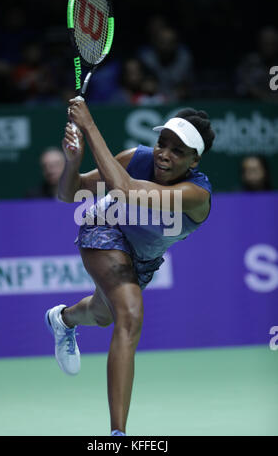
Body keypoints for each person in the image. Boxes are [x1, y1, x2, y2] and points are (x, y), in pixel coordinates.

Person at [45, 100, 215, 436]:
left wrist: (89, 125)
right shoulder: (136, 159)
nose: (163, 154)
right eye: (161, 143)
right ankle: (118, 435)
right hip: (105, 227)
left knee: (103, 314)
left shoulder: (196, 195)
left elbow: (126, 188)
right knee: (130, 314)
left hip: (143, 259)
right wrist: (73, 161)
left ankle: (62, 319)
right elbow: (70, 193)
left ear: (194, 160)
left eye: (177, 151)